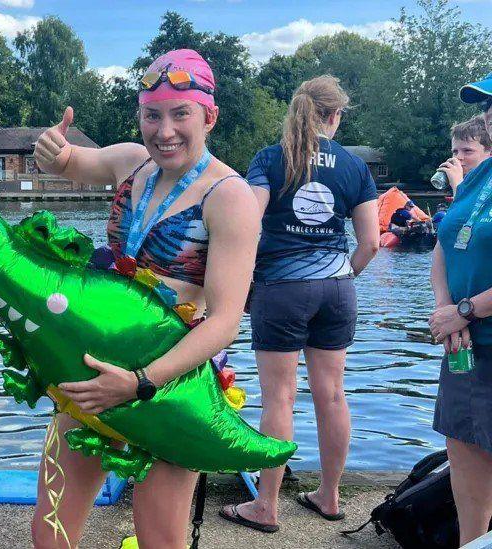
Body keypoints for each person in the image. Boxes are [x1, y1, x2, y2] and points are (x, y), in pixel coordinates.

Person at [31, 49, 261, 548]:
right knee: (49, 533)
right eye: (152, 115)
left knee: (160, 540)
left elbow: (224, 322)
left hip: (172, 386)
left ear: (209, 116)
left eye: (181, 114)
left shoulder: (229, 197)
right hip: (94, 372)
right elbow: (70, 163)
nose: (164, 130)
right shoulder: (131, 163)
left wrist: (139, 383)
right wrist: (50, 150)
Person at [221, 75, 379, 533]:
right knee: (331, 394)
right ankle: (329, 497)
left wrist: (237, 284)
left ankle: (265, 506)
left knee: (280, 398)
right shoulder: (355, 167)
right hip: (338, 288)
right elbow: (370, 242)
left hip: (281, 288)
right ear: (334, 116)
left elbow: (246, 225)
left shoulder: (271, 158)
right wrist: (340, 273)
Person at [428, 72, 492, 546]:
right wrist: (447, 309)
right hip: (467, 346)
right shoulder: (479, 177)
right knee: (467, 466)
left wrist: (466, 310)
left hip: (473, 327)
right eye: (488, 103)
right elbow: (444, 244)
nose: (490, 112)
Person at [438, 115, 492, 196]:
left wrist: (458, 187)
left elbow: (472, 209)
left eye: (467, 151)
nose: (458, 157)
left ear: (490, 153)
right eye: (455, 151)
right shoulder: (472, 184)